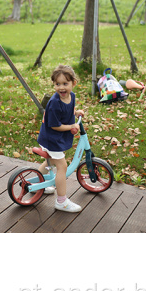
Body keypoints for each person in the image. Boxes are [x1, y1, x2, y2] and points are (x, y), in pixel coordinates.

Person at [37, 64, 85, 213]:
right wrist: (72, 126)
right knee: (62, 167)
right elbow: (55, 125)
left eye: (65, 83)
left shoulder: (72, 96)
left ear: (73, 83)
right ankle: (61, 201)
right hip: (52, 138)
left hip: (52, 138)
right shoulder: (54, 103)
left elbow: (68, 110)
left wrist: (76, 112)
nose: (61, 88)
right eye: (58, 84)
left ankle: (40, 184)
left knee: (48, 161)